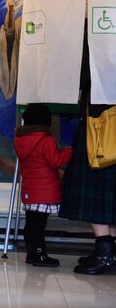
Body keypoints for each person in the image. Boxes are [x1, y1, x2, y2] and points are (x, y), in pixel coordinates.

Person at [59, 37, 116, 275]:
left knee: (99, 190)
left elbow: (80, 78)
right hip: (104, 122)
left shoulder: (96, 32)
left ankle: (105, 252)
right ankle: (109, 251)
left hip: (99, 124)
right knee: (110, 193)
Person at [14, 103, 72, 267]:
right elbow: (56, 161)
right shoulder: (47, 140)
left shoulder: (20, 140)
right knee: (39, 225)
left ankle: (31, 253)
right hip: (44, 192)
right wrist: (68, 152)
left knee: (31, 223)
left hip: (30, 192)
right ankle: (40, 254)